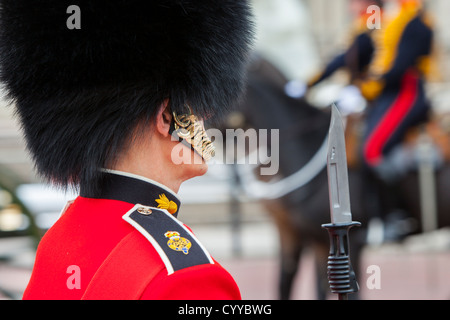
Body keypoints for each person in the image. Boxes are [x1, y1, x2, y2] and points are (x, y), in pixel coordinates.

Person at [0, 1, 254, 299]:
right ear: (167, 117)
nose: (207, 114)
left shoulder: (59, 238)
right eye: (197, 105)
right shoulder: (186, 277)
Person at [360, 0, 436, 180]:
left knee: (373, 149)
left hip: (406, 92)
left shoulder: (416, 22)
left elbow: (402, 63)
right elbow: (372, 50)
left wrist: (375, 80)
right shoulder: (387, 18)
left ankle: (398, 205)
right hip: (387, 92)